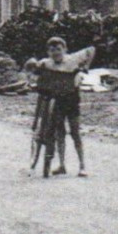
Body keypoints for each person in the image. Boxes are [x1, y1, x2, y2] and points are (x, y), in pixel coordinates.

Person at [24, 36, 96, 177]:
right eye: (52, 50)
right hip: (56, 101)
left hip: (71, 100)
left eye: (58, 49)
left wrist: (85, 67)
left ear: (65, 49)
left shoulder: (73, 59)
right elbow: (32, 68)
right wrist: (31, 68)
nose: (56, 52)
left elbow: (91, 49)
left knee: (75, 132)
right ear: (48, 52)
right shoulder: (46, 63)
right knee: (59, 133)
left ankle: (82, 166)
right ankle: (62, 165)